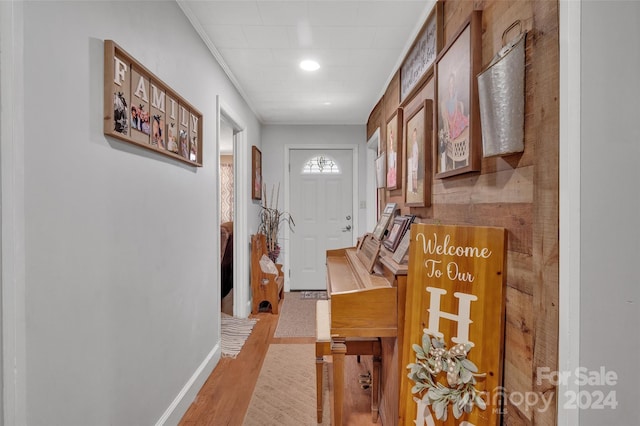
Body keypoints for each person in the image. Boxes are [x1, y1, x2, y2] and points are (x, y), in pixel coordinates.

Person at [440, 72, 470, 168]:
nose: (451, 85)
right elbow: (448, 113)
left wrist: (456, 109)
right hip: (451, 118)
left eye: (453, 83)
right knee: (455, 127)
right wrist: (451, 122)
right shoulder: (446, 99)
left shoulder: (454, 95)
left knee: (466, 122)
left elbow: (456, 108)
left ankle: (466, 152)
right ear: (448, 84)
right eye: (450, 83)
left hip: (456, 116)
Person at [408, 127, 419, 193]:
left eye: (415, 136)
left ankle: (415, 188)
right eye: (413, 136)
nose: (414, 137)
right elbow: (412, 153)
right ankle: (413, 188)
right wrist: (410, 155)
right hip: (412, 162)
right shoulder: (413, 144)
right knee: (412, 175)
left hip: (415, 162)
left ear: (416, 136)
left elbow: (417, 154)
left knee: (415, 176)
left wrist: (416, 162)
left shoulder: (416, 144)